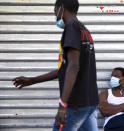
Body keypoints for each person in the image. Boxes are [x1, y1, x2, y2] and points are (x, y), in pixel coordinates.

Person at [12, 0, 99, 130]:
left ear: (61, 8)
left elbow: (73, 67)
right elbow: (65, 69)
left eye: (54, 9)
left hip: (76, 104)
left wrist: (62, 105)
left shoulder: (71, 28)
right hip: (90, 102)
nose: (54, 13)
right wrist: (32, 80)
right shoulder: (83, 29)